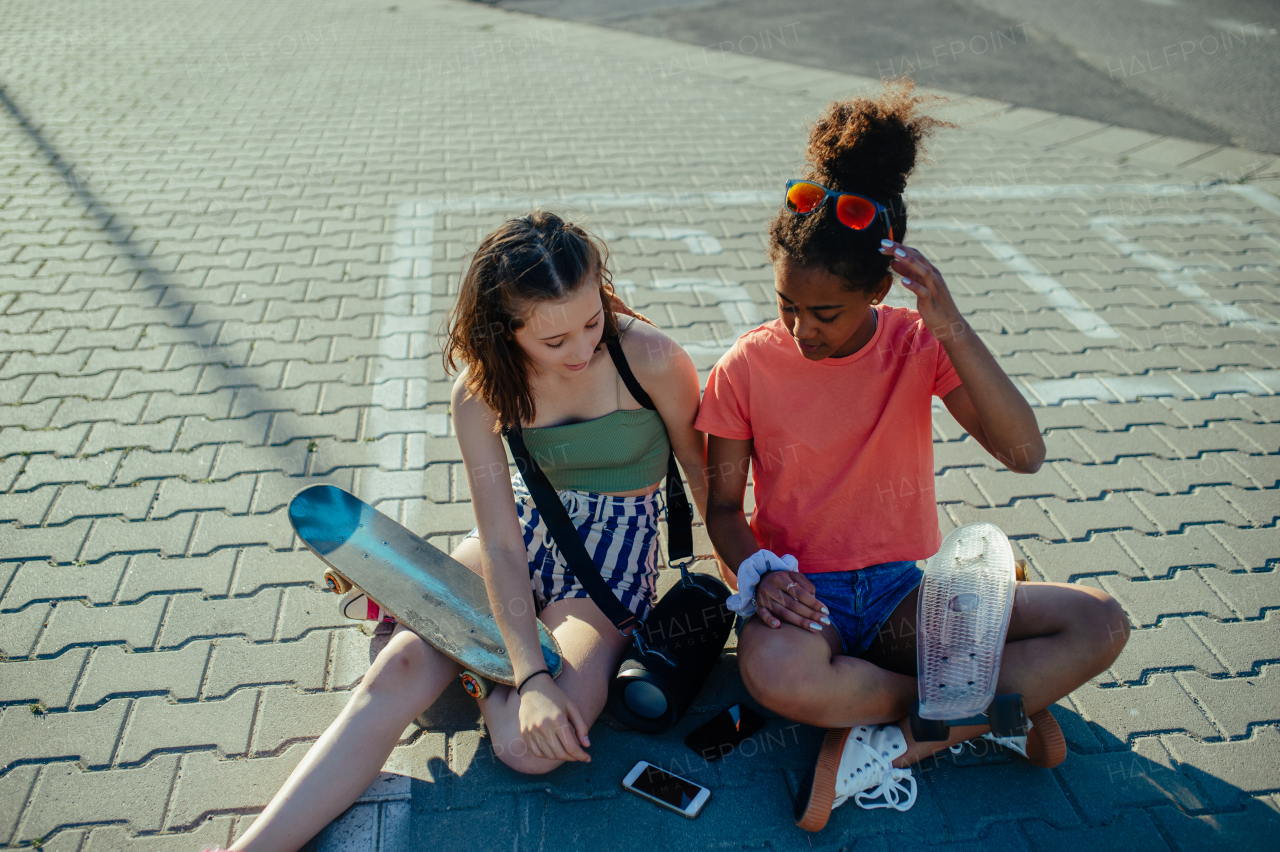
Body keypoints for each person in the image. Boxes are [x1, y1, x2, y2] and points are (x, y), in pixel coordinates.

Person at [696, 83, 1131, 833]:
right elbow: (726, 511)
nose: (800, 329)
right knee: (772, 674)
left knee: (1099, 624)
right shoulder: (745, 367)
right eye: (785, 304)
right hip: (806, 600)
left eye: (824, 312)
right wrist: (762, 577)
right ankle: (984, 711)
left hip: (903, 594)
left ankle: (898, 734)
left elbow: (1024, 453)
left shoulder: (916, 342)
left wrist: (953, 324)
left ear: (877, 288)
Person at [224, 211, 709, 852]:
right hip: (516, 538)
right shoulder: (479, 391)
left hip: (610, 564)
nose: (583, 348)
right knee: (397, 673)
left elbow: (709, 485)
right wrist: (530, 679)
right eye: (553, 340)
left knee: (528, 750)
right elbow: (504, 543)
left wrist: (748, 585)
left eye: (591, 322)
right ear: (503, 331)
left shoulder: (650, 357)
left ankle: (468, 660)